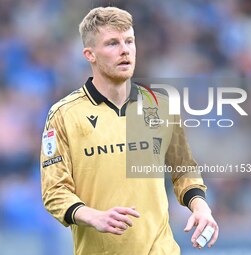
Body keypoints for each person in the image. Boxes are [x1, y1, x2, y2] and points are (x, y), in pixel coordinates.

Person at [40, 6, 218, 255]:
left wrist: (200, 207)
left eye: (129, 41)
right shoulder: (64, 116)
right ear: (90, 54)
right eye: (112, 43)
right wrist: (93, 216)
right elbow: (54, 192)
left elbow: (184, 169)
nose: (125, 50)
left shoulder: (161, 106)